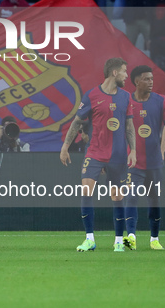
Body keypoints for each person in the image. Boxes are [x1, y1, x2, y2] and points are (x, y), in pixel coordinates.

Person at [60, 57, 137, 252]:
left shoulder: (126, 97)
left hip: (118, 154)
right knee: (86, 190)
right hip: (94, 152)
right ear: (114, 73)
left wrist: (133, 150)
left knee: (117, 196)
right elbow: (77, 122)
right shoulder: (91, 95)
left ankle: (118, 240)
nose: (127, 76)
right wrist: (65, 146)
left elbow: (129, 126)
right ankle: (89, 239)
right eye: (124, 72)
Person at [123, 65, 165, 251]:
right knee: (131, 196)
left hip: (154, 162)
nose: (151, 82)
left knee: (154, 199)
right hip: (133, 162)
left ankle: (154, 239)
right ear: (137, 81)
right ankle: (131, 236)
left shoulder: (161, 100)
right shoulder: (125, 101)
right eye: (146, 79)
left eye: (152, 79)